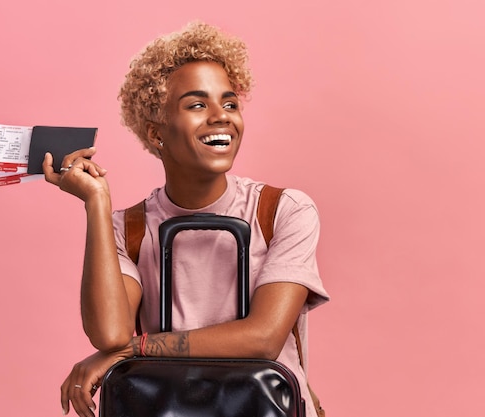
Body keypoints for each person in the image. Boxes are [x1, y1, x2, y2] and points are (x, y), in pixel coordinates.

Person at [43, 21, 330, 417]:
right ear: (156, 133)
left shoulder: (284, 211)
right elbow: (109, 333)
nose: (221, 117)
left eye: (230, 104)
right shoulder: (129, 229)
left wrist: (135, 349)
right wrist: (96, 203)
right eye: (197, 105)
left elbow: (263, 338)